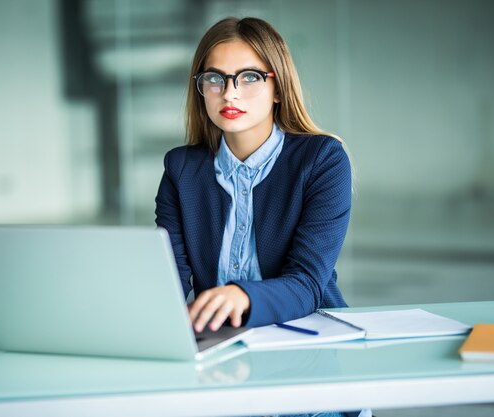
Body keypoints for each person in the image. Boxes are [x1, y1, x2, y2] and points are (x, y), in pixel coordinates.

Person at [155, 16, 369, 417]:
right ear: (200, 89)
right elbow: (167, 278)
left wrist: (241, 295)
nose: (229, 93)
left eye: (249, 77)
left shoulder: (322, 160)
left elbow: (307, 284)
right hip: (220, 359)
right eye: (215, 79)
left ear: (277, 87)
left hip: (308, 352)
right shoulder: (181, 169)